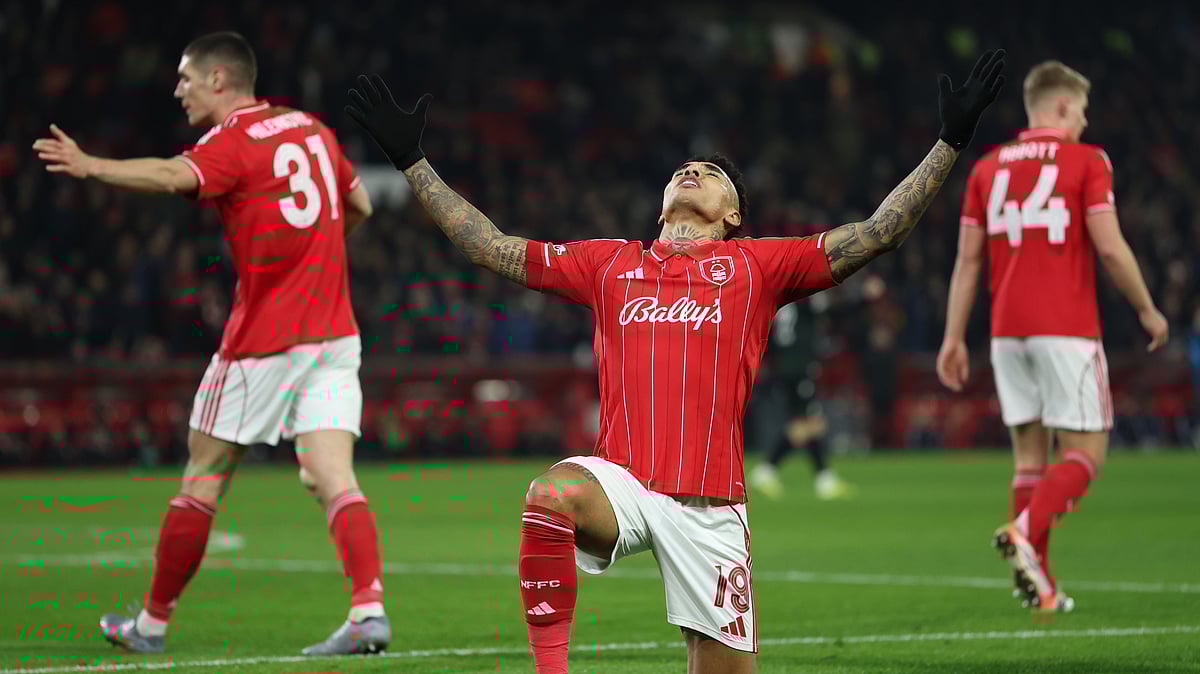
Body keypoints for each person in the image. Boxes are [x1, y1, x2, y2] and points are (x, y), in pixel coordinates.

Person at [345, 48, 1005, 673]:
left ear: (734, 213)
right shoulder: (609, 263)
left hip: (712, 509)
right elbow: (490, 246)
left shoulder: (759, 265)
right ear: (662, 198)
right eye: (684, 169)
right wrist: (411, 160)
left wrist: (949, 143)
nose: (694, 172)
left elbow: (878, 233)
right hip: (623, 486)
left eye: (712, 174)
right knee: (549, 496)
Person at [33, 31, 390, 655]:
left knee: (203, 476)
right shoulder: (311, 128)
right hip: (335, 333)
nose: (178, 90)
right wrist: (316, 254)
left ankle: (150, 625)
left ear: (220, 80)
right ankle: (368, 610)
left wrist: (92, 166)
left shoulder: (230, 144)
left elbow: (175, 175)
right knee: (333, 475)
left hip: (264, 342)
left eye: (186, 78)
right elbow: (356, 203)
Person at [936, 60, 1168, 613]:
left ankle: (1041, 587)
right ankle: (1022, 532)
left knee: (1029, 459)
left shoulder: (986, 169)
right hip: (1066, 329)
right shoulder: (1088, 161)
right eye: (1082, 111)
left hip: (1006, 334)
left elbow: (968, 262)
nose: (1085, 122)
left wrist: (952, 337)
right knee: (1086, 452)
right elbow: (1110, 247)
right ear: (1062, 106)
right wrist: (1147, 308)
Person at [748, 300, 856, 500]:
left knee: (806, 423)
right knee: (809, 423)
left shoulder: (784, 301)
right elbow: (834, 310)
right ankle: (771, 470)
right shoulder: (806, 300)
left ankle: (819, 477)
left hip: (784, 366)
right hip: (799, 368)